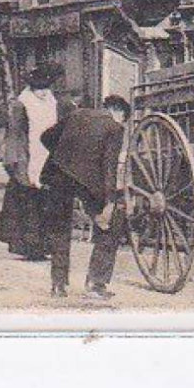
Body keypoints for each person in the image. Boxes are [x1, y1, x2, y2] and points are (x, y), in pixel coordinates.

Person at [41, 100, 128, 299]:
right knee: (110, 225)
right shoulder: (115, 128)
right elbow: (109, 167)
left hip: (57, 174)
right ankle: (96, 283)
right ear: (119, 112)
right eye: (124, 118)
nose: (122, 122)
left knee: (60, 228)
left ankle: (58, 285)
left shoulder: (76, 114)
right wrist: (109, 202)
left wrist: (63, 154)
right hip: (88, 181)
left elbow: (46, 137)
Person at [0, 64, 71, 262]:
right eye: (39, 89)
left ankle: (44, 246)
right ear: (32, 88)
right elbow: (16, 135)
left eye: (46, 88)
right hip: (25, 158)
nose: (43, 93)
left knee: (45, 202)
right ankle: (28, 247)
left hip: (47, 157)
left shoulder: (53, 102)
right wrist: (16, 163)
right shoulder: (22, 104)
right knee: (27, 203)